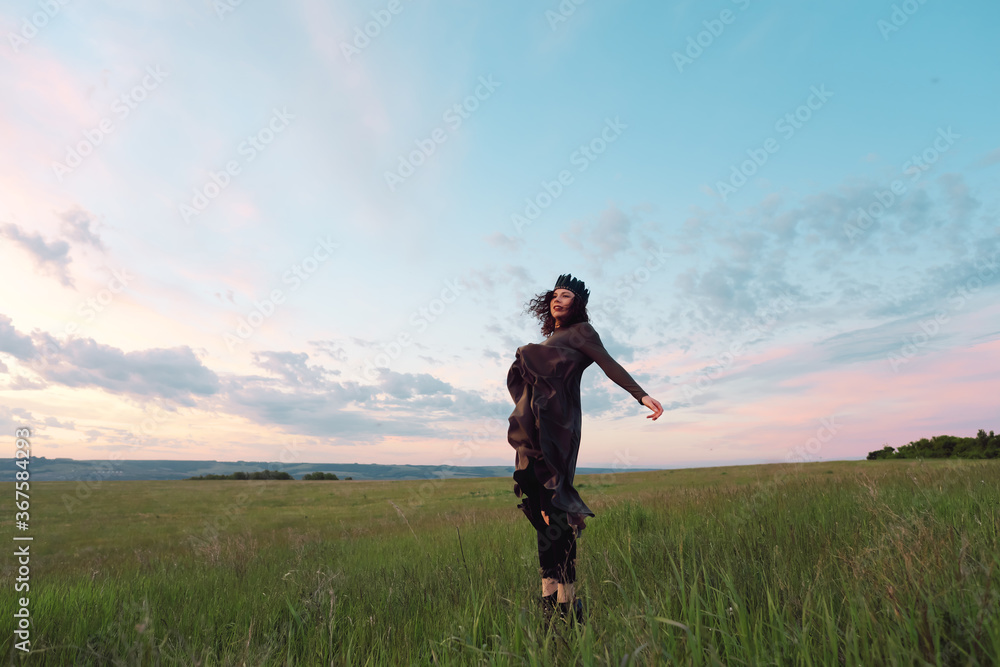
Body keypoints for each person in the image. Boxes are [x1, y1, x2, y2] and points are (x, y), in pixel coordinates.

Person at [506, 273, 663, 623]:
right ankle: (548, 598)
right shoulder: (551, 337)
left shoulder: (582, 333)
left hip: (558, 426)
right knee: (539, 508)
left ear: (578, 304)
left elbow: (609, 364)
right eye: (555, 295)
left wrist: (641, 395)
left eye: (567, 296)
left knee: (556, 506)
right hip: (533, 428)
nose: (558, 300)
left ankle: (569, 604)